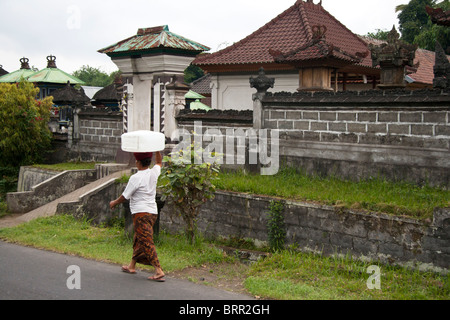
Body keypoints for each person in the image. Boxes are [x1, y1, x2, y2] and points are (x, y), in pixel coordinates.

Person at [110, 151, 165, 282]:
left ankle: (158, 270)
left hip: (141, 213)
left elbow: (125, 196)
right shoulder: (154, 172)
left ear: (138, 162)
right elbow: (159, 162)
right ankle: (131, 266)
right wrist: (157, 150)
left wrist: (114, 202)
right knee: (138, 238)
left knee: (146, 241)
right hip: (152, 213)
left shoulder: (136, 178)